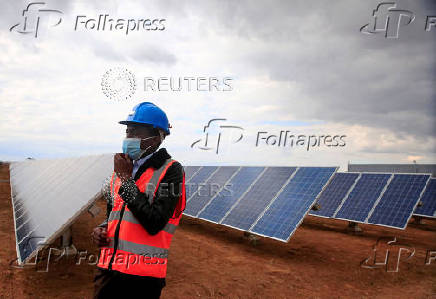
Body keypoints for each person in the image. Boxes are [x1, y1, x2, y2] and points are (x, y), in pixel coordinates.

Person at [91, 102, 186, 299]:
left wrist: (126, 180)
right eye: (127, 132)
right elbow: (114, 214)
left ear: (157, 137)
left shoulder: (171, 171)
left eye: (135, 132)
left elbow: (155, 222)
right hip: (107, 270)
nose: (128, 138)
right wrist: (101, 228)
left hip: (142, 278)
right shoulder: (121, 170)